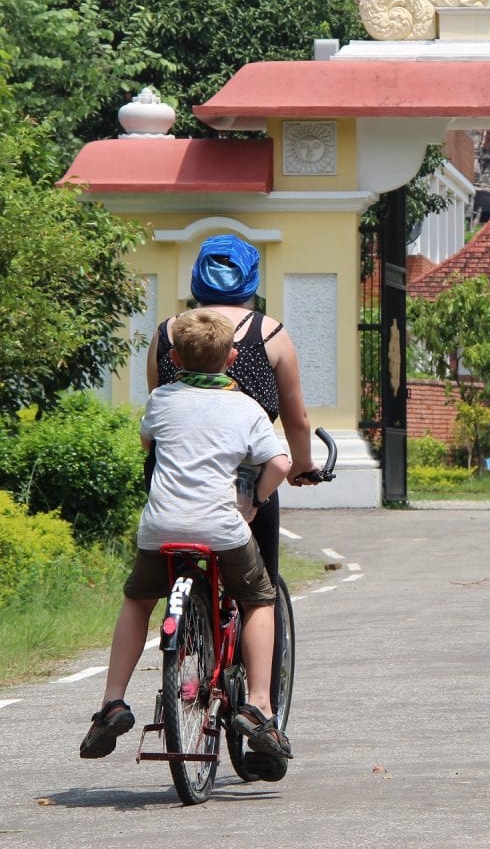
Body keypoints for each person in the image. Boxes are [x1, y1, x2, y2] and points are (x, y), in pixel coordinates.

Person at [80, 309, 292, 764]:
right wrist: (253, 500)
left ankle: (112, 702)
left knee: (138, 600)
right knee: (259, 598)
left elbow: (149, 444)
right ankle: (259, 706)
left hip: (161, 529)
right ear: (232, 357)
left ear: (173, 357)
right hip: (221, 526)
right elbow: (279, 464)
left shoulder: (161, 401)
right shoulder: (247, 408)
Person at [146, 233, 316, 778]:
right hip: (244, 492)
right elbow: (295, 420)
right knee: (258, 589)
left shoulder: (170, 334)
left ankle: (185, 647)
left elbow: (156, 410)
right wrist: (306, 464)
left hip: (171, 489)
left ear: (195, 279)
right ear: (252, 282)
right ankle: (260, 707)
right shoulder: (271, 335)